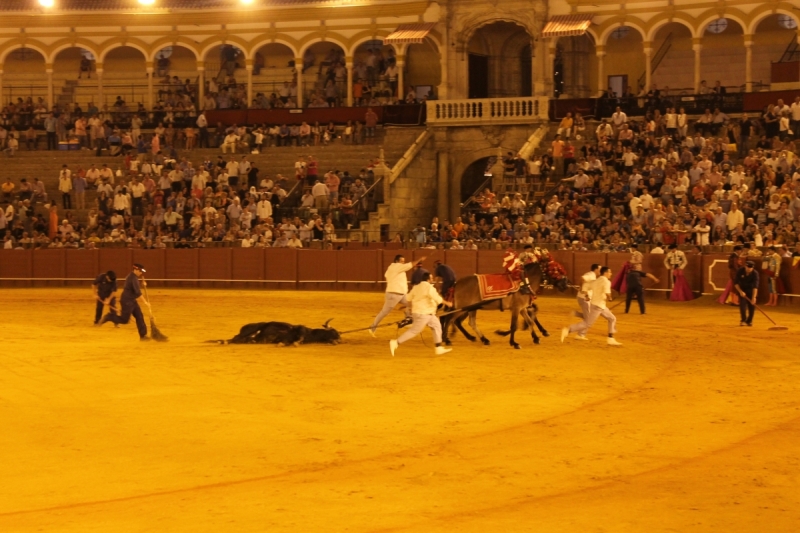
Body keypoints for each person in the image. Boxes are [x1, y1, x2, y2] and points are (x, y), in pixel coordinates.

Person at [389, 271, 453, 356]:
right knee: (414, 331)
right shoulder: (429, 288)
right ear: (428, 279)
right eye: (431, 278)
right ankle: (396, 342)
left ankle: (438, 347)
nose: (433, 279)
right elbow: (437, 298)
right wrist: (448, 303)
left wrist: (410, 307)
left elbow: (408, 298)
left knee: (437, 326)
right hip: (424, 314)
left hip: (426, 314)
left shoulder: (416, 287)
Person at [562, 266, 622, 345]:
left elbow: (585, 286)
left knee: (612, 318)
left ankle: (610, 338)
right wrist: (610, 298)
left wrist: (586, 296)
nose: (611, 274)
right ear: (605, 273)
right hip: (598, 306)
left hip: (600, 305)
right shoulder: (607, 282)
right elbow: (607, 293)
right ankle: (568, 330)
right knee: (587, 324)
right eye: (610, 272)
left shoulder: (596, 281)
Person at [369, 254, 424, 336]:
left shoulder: (393, 268)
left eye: (403, 261)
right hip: (394, 295)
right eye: (401, 261)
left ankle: (408, 318)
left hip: (401, 294)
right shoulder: (396, 266)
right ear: (396, 261)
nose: (403, 263)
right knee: (384, 312)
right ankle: (373, 327)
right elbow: (410, 265)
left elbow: (386, 275)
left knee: (412, 303)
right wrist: (420, 259)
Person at [100, 263, 150, 340]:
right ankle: (109, 317)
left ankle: (143, 336)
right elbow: (138, 292)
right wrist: (145, 302)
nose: (141, 273)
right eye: (140, 271)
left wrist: (142, 284)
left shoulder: (132, 276)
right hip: (127, 301)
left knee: (139, 316)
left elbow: (134, 288)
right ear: (135, 270)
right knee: (124, 320)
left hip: (131, 300)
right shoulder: (133, 278)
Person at [734, 261, 759, 327]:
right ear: (745, 266)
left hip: (751, 290)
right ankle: (743, 320)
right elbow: (736, 283)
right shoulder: (740, 271)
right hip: (742, 289)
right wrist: (740, 291)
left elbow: (755, 286)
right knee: (742, 306)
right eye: (748, 267)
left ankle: (749, 321)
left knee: (752, 306)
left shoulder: (755, 274)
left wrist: (754, 297)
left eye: (751, 268)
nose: (749, 269)